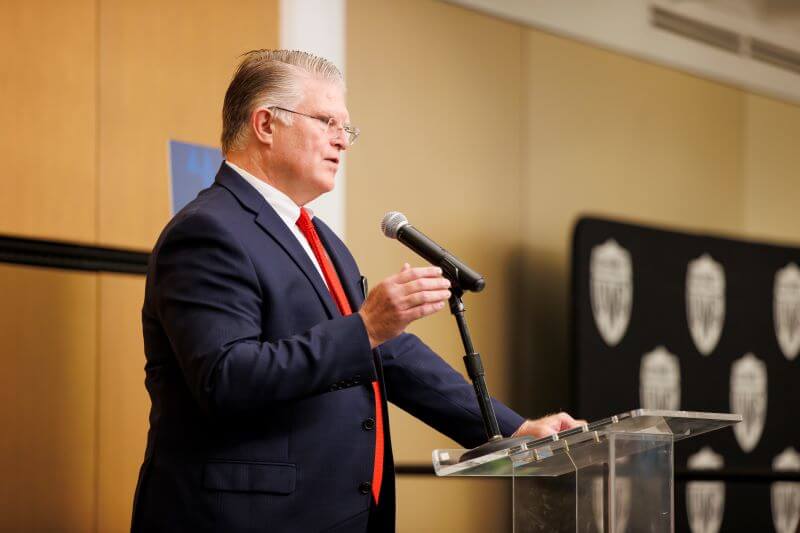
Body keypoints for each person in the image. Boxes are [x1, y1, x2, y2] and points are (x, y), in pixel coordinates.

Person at [132, 49, 580, 533]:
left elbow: (390, 354)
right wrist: (365, 328)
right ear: (265, 124)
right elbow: (226, 378)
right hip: (242, 518)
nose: (342, 142)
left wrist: (513, 430)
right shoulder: (206, 231)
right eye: (326, 121)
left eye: (346, 129)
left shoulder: (321, 239)